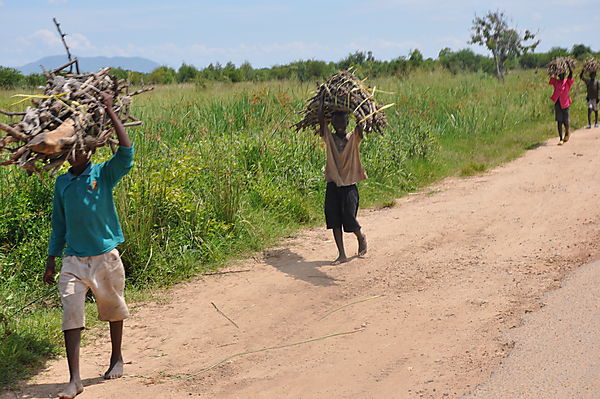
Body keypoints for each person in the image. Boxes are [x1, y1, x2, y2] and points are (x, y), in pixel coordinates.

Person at [43, 92, 134, 399]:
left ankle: (116, 357)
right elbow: (60, 223)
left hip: (104, 257)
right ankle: (74, 379)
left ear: (90, 149)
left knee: (112, 307)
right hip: (73, 260)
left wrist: (110, 109)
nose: (74, 156)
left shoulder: (102, 174)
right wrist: (51, 259)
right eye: (69, 151)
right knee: (71, 312)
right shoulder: (63, 183)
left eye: (79, 149)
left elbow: (126, 153)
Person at [318, 101, 368, 265]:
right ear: (331, 123)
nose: (339, 124)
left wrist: (358, 108)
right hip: (333, 183)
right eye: (336, 121)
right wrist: (322, 104)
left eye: (343, 121)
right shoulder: (329, 138)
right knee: (333, 219)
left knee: (349, 217)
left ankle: (360, 237)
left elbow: (361, 124)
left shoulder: (353, 137)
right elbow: (321, 124)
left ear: (348, 122)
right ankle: (341, 254)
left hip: (349, 185)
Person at [549, 65, 574, 145]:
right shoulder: (556, 82)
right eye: (560, 75)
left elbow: (571, 74)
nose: (562, 76)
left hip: (566, 104)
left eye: (563, 74)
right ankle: (560, 138)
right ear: (559, 75)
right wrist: (553, 70)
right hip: (558, 104)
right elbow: (551, 77)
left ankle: (567, 132)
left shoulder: (567, 82)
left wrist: (569, 65)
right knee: (559, 121)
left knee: (566, 122)